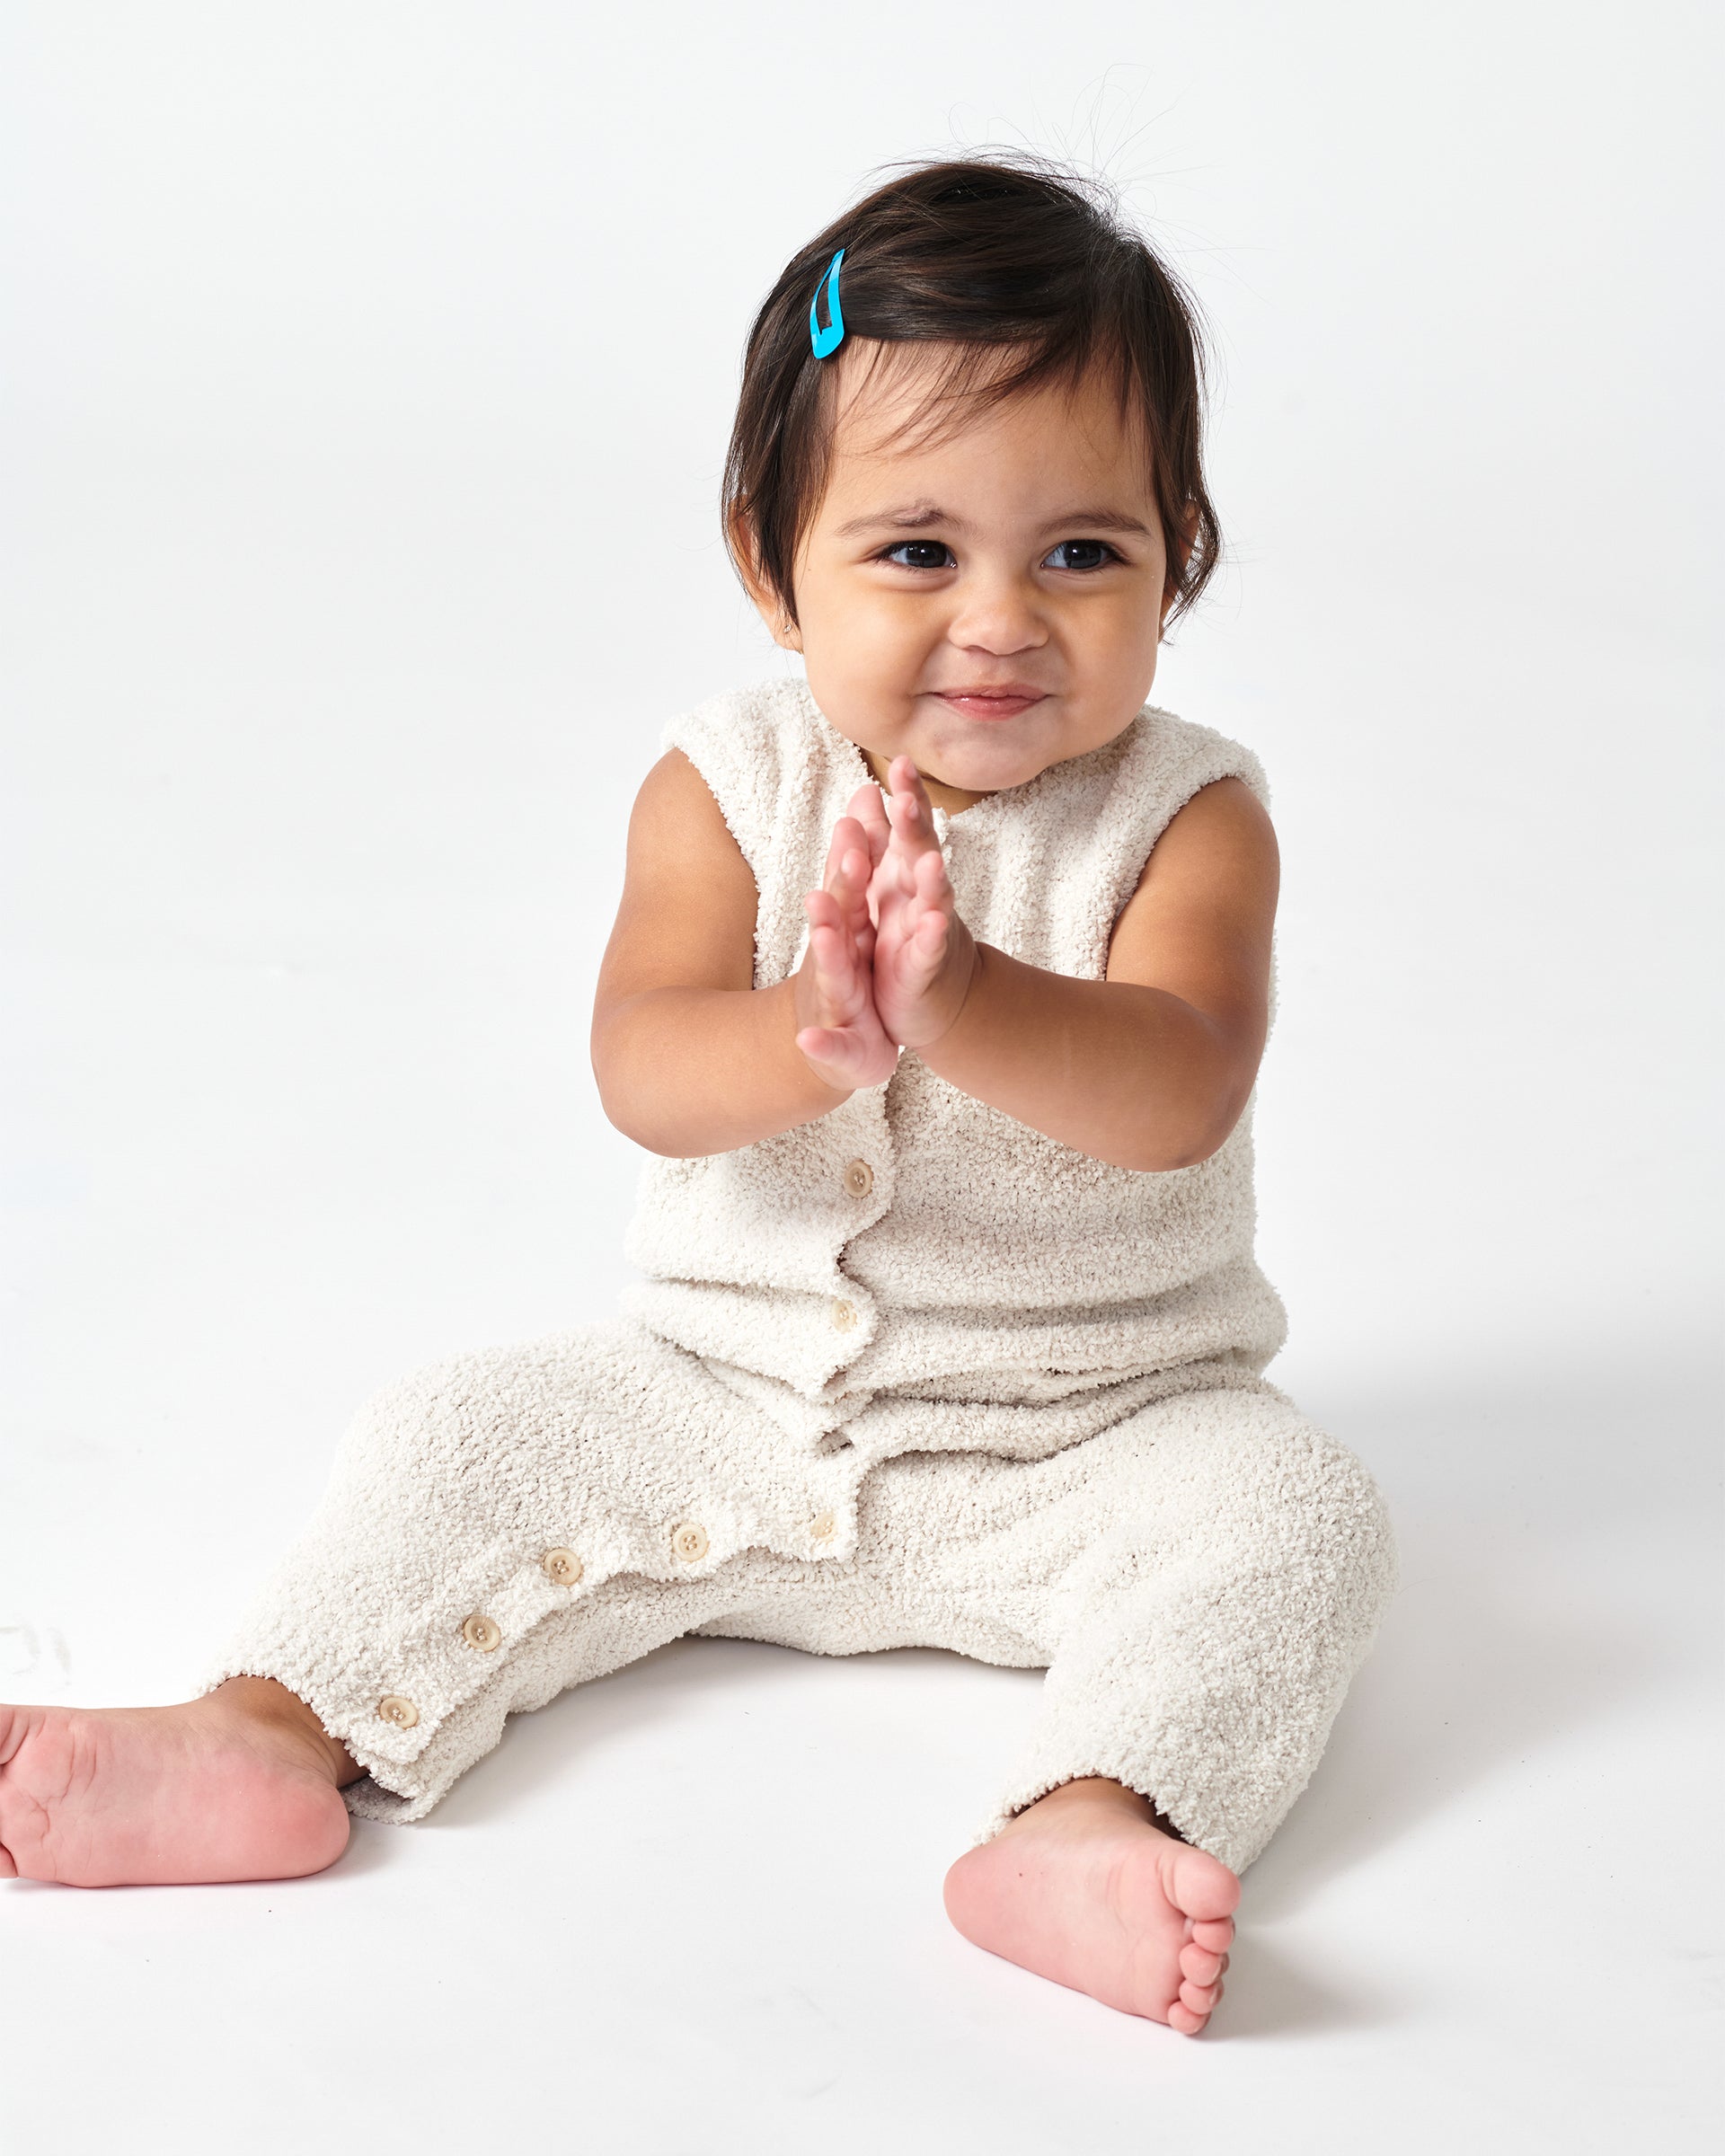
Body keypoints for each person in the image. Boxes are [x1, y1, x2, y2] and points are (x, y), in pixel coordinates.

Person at [0, 155, 1395, 2036]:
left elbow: (1179, 1094)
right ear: (769, 562)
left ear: (1181, 560)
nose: (1001, 619)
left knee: (1298, 1518)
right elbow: (642, 1067)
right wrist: (811, 1033)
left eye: (1083, 552)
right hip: (717, 1398)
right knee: (456, 1433)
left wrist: (964, 995)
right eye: (916, 551)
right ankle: (265, 1731)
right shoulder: (724, 784)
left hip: (1096, 1428)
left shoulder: (1191, 816)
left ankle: (1087, 1815)